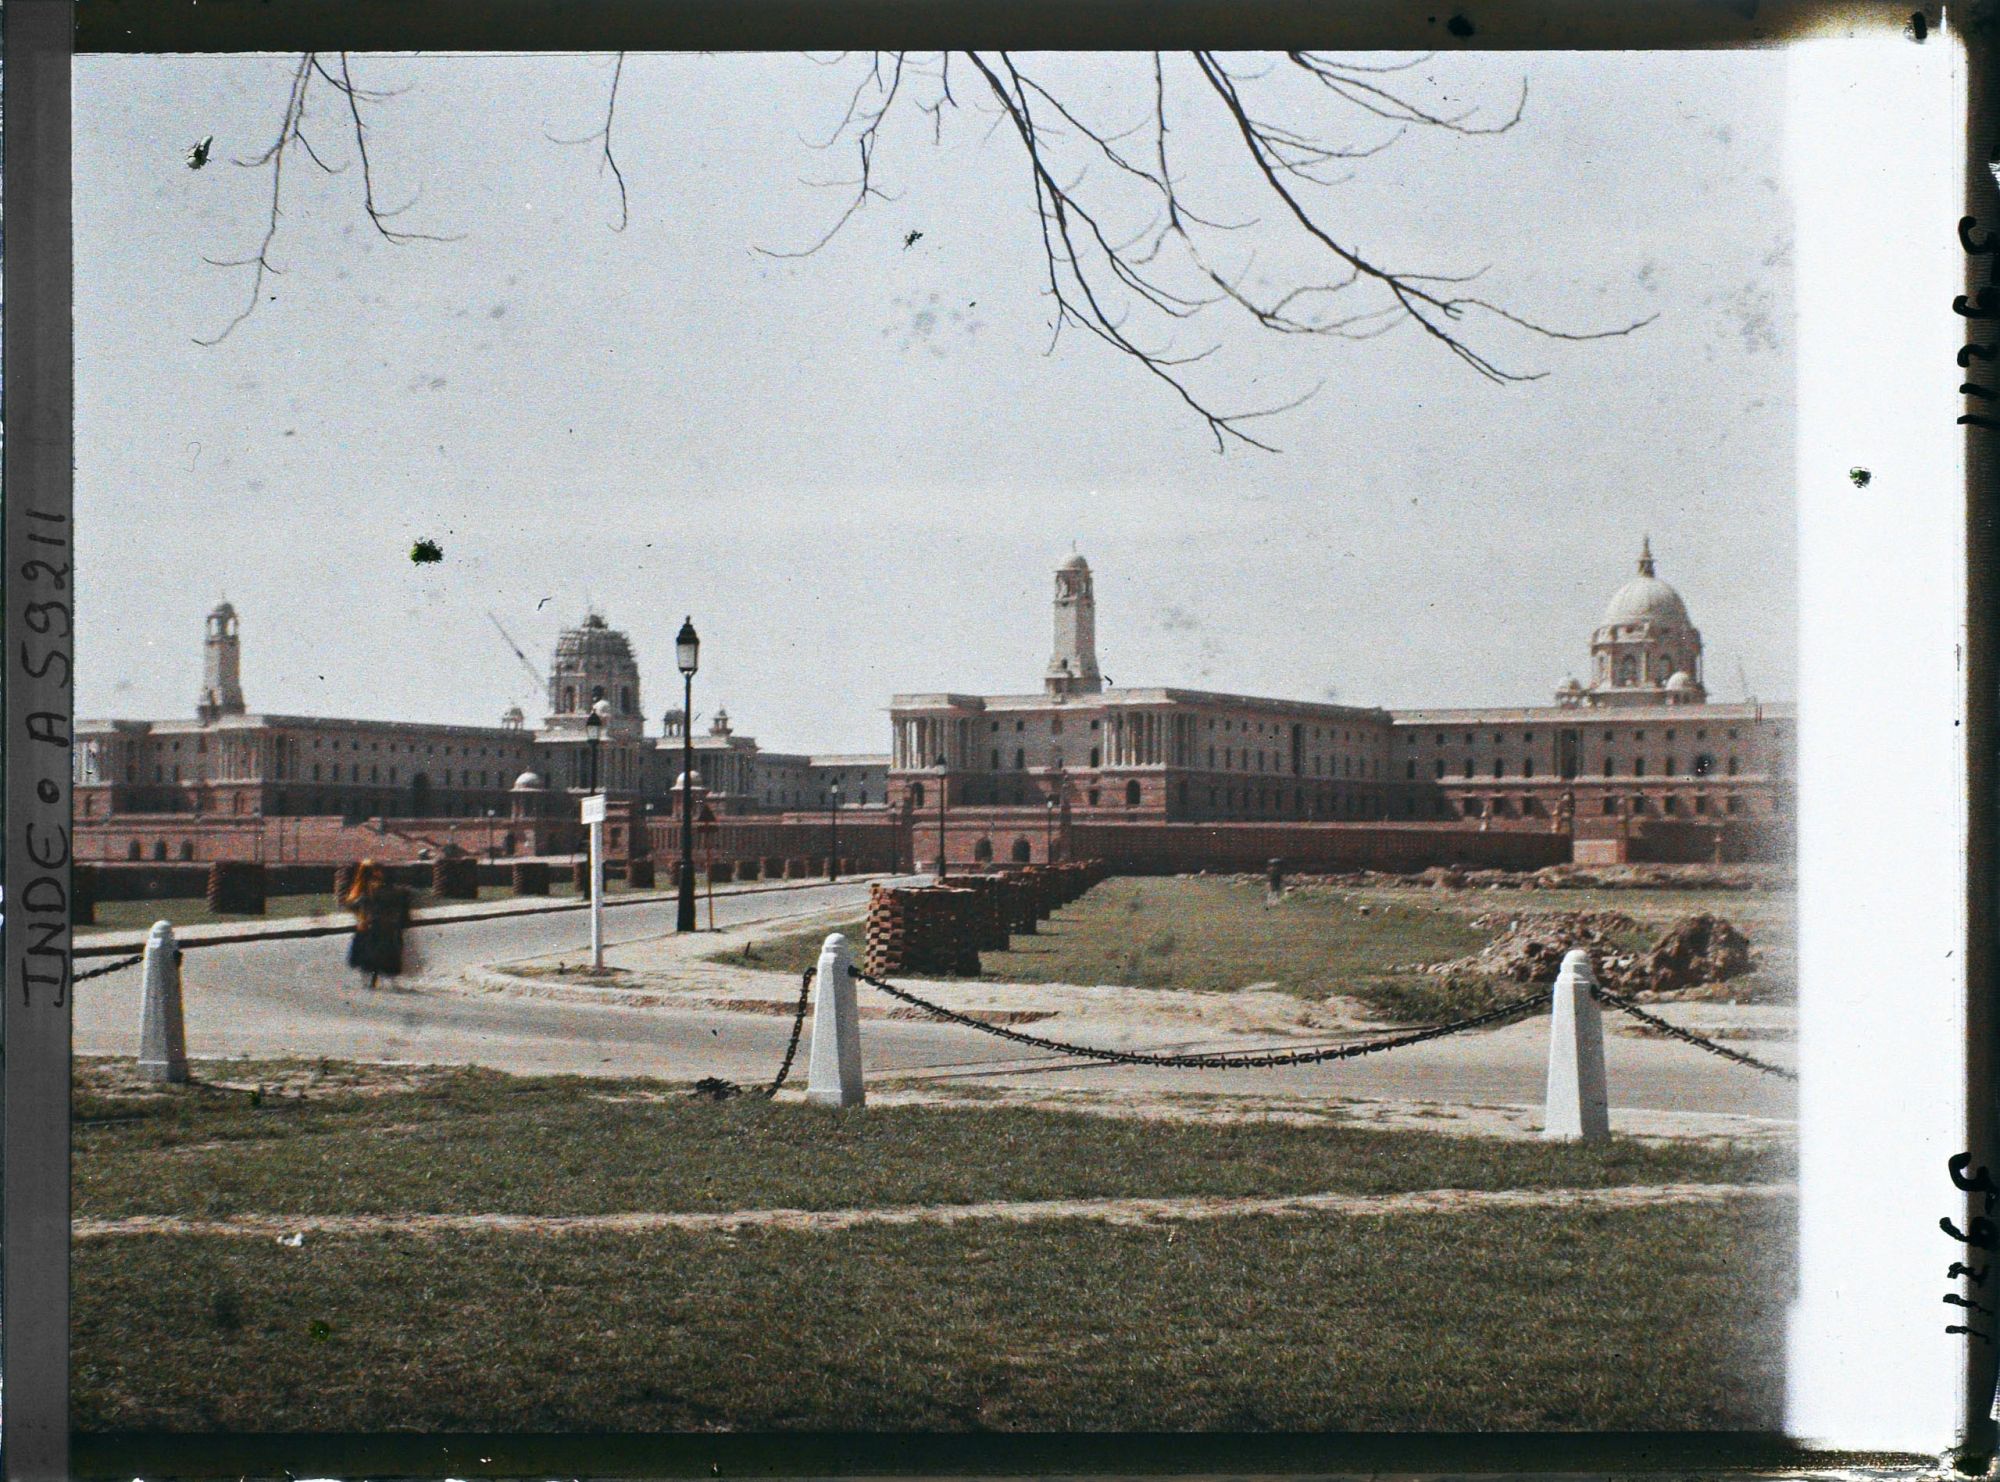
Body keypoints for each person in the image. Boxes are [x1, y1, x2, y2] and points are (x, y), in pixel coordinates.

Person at [344, 859, 412, 988]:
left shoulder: (376, 887)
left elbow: (356, 903)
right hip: (375, 923)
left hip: (375, 923)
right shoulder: (370, 887)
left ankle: (376, 973)